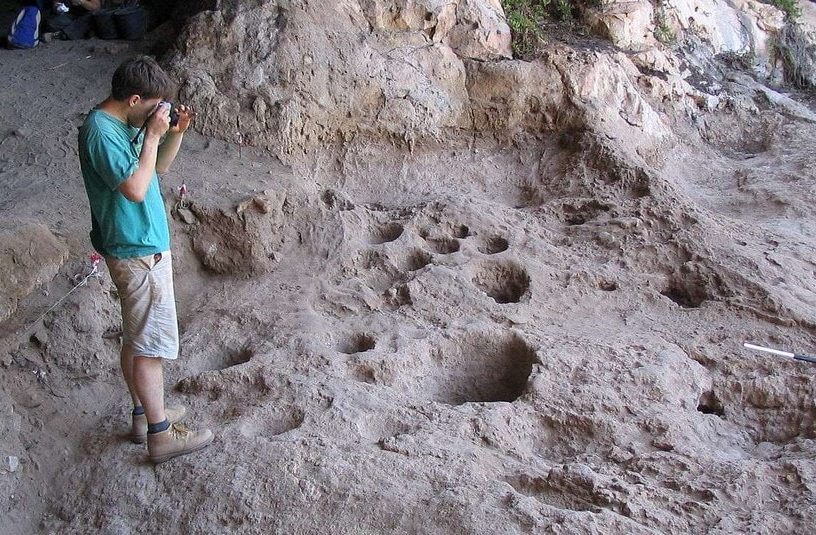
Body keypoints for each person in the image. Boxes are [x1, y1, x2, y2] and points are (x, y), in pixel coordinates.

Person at [78, 55, 213, 463]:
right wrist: (153, 135)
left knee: (137, 339)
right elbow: (136, 190)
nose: (158, 113)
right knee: (149, 347)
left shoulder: (123, 123)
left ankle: (143, 415)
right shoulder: (101, 132)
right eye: (153, 106)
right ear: (134, 99)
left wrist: (174, 134)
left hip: (140, 245)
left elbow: (158, 169)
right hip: (136, 250)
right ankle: (161, 434)